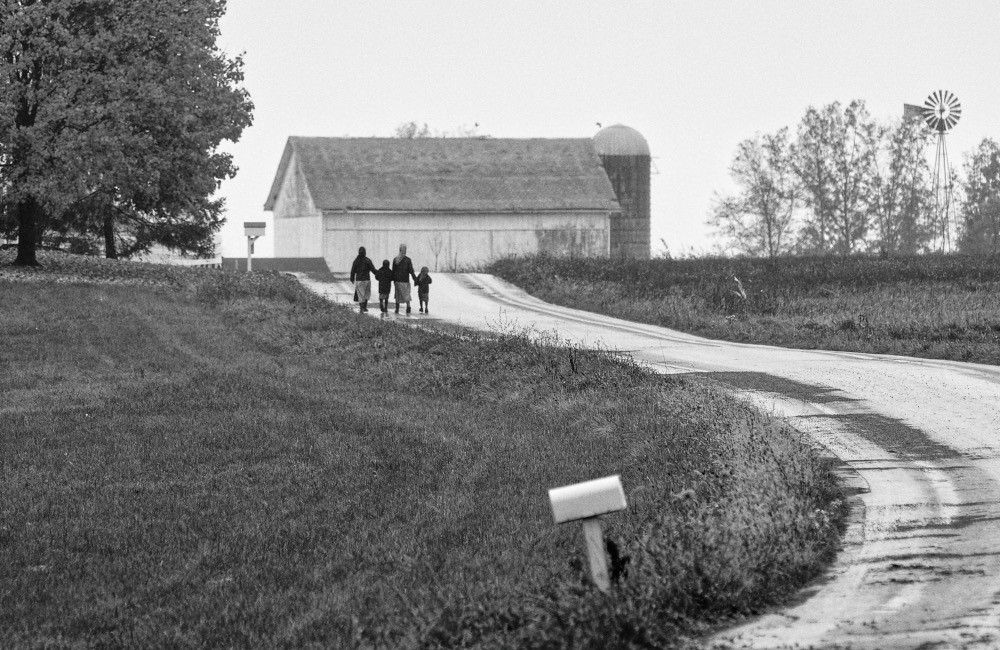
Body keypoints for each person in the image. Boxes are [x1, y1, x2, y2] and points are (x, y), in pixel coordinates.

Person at [391, 244, 418, 314]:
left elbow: (393, 271)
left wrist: (393, 280)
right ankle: (408, 307)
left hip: (397, 280)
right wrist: (415, 279)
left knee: (397, 295)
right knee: (406, 295)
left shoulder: (395, 260)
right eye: (405, 249)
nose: (405, 251)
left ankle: (397, 309)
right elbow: (411, 271)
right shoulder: (408, 260)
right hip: (405, 280)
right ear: (404, 250)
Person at [349, 246, 377, 313]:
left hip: (359, 280)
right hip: (367, 280)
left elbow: (352, 271)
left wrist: (352, 279)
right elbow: (373, 270)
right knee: (366, 294)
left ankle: (361, 308)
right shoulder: (368, 260)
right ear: (365, 252)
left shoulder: (356, 261)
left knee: (361, 295)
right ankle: (365, 307)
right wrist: (381, 274)